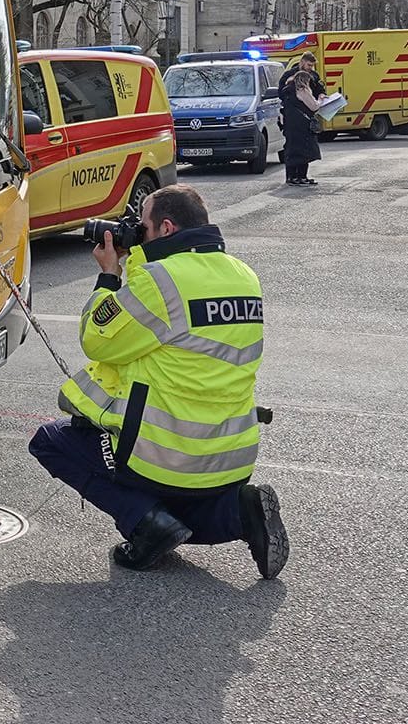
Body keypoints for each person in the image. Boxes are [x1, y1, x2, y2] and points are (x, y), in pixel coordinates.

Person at [28, 184, 287, 578]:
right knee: (181, 513)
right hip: (230, 455)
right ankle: (239, 511)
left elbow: (98, 341)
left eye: (142, 225)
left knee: (51, 442)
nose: (136, 231)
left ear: (166, 228)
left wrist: (110, 275)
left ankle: (145, 523)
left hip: (166, 454)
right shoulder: (243, 275)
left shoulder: (160, 281)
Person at [277, 53, 330, 187]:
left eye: (312, 65)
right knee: (298, 148)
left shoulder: (312, 76)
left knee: (298, 149)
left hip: (295, 119)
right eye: (309, 65)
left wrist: (321, 93)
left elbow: (319, 88)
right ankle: (295, 176)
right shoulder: (292, 77)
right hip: (299, 118)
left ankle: (298, 176)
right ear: (302, 62)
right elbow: (281, 94)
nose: (311, 68)